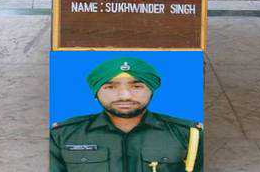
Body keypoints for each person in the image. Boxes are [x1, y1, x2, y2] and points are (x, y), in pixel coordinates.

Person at [50, 57, 203, 172]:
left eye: (136, 86)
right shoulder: (62, 135)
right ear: (96, 93)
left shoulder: (188, 134)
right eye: (110, 87)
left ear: (151, 91)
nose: (124, 95)